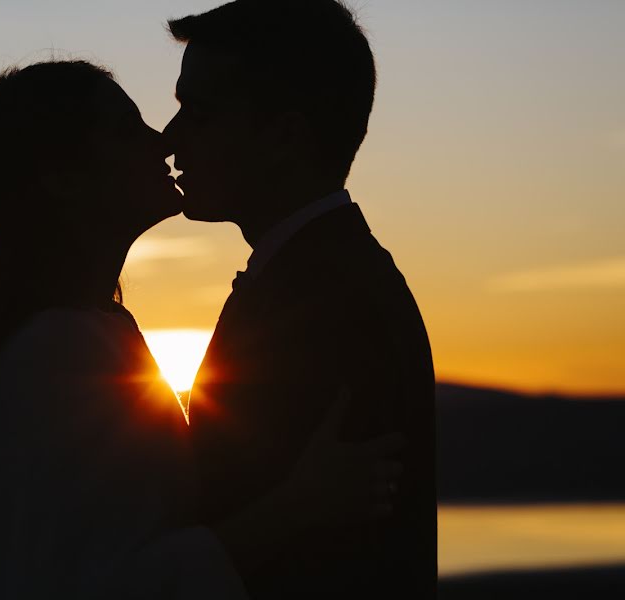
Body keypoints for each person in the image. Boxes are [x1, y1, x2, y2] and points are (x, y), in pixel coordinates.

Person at [0, 60, 404, 598]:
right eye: (127, 130)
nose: (162, 142)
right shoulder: (59, 351)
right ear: (63, 178)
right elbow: (104, 586)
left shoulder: (80, 335)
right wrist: (295, 507)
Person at [163, 1, 438, 597]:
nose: (170, 137)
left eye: (198, 111)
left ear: (283, 137)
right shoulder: (318, 278)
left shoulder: (331, 303)